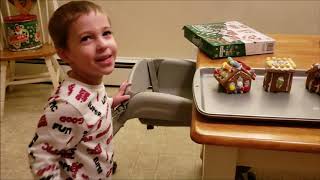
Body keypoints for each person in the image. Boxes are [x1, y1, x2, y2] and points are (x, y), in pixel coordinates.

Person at [27, 1, 130, 179]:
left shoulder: (91, 80)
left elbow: (90, 109)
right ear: (65, 54)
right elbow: (40, 157)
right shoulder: (66, 106)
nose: (102, 44)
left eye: (106, 33)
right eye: (86, 38)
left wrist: (111, 102)